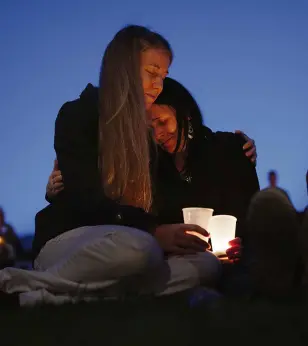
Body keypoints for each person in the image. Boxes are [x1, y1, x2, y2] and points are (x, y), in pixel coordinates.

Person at [0, 25, 223, 307]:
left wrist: (228, 145)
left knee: (206, 265)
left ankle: (40, 296)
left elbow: (165, 199)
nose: (159, 85)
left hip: (132, 245)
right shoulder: (78, 115)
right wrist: (153, 231)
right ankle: (12, 281)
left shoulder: (146, 138)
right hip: (74, 240)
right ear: (124, 68)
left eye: (163, 77)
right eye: (152, 73)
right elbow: (85, 199)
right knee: (140, 249)